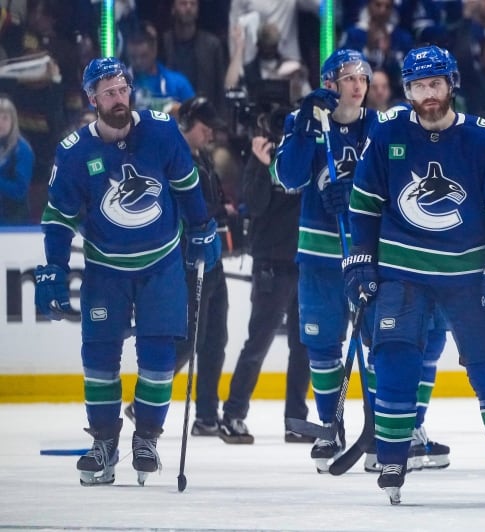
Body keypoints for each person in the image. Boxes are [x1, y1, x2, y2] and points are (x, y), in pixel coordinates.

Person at [345, 44, 485, 504]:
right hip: (402, 271)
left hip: (469, 274)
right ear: (408, 90)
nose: (428, 94)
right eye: (419, 86)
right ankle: (391, 457)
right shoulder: (388, 135)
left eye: (435, 84)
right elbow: (364, 205)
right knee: (394, 360)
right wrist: (358, 259)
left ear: (452, 85)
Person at [34, 57, 221, 487]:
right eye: (108, 93)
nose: (119, 99)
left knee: (158, 358)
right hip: (106, 271)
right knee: (99, 358)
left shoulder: (159, 131)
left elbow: (187, 183)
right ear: (92, 99)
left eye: (122, 90)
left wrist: (202, 227)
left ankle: (147, 439)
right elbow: (58, 217)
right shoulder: (75, 151)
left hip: (162, 264)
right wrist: (53, 269)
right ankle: (103, 443)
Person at [275, 48, 379, 472]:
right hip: (319, 256)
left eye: (363, 78)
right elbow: (288, 177)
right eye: (348, 78)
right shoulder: (305, 124)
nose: (357, 85)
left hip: (369, 255)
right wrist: (301, 129)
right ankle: (330, 425)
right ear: (329, 84)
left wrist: (354, 197)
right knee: (321, 346)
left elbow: (395, 191)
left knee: (383, 344)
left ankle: (385, 429)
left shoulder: (382, 127)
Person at [217, 128, 314, 445]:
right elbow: (254, 206)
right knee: (258, 342)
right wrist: (259, 163)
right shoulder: (260, 162)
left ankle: (296, 420)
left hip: (303, 261)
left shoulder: (302, 159)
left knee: (303, 348)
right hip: (272, 264)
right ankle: (232, 414)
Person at [173, 96, 234, 436]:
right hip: (188, 259)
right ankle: (146, 398)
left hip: (212, 260)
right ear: (186, 125)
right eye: (204, 128)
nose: (209, 134)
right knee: (188, 340)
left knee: (214, 339)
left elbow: (213, 202)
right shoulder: (177, 160)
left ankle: (207, 414)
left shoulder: (204, 158)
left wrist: (224, 210)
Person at [0, 95, 34, 224]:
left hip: (13, 222)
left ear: (13, 121)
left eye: (5, 118)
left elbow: (20, 190)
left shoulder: (22, 149)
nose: (0, 123)